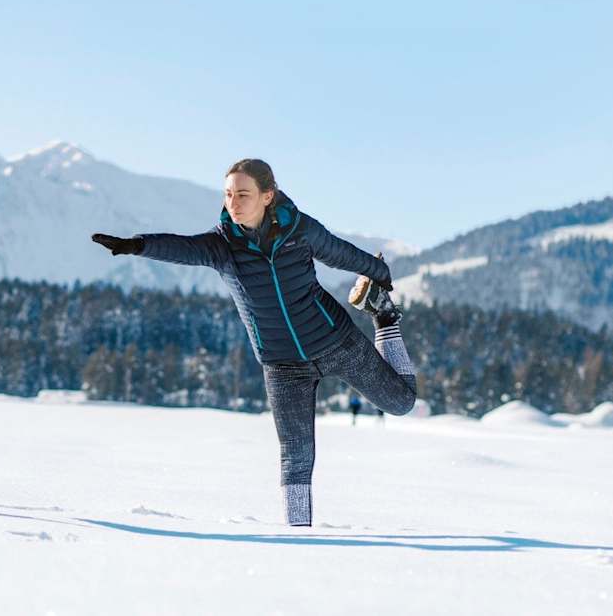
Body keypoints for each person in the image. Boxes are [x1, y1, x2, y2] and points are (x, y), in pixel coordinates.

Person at [91, 158, 416, 526]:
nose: (234, 202)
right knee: (296, 456)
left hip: (334, 339)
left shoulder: (300, 230)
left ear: (267, 195)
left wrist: (381, 275)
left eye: (243, 194)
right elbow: (182, 247)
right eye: (229, 194)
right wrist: (137, 245)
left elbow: (341, 253)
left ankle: (384, 318)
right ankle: (299, 537)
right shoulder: (222, 245)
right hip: (282, 364)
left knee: (402, 403)